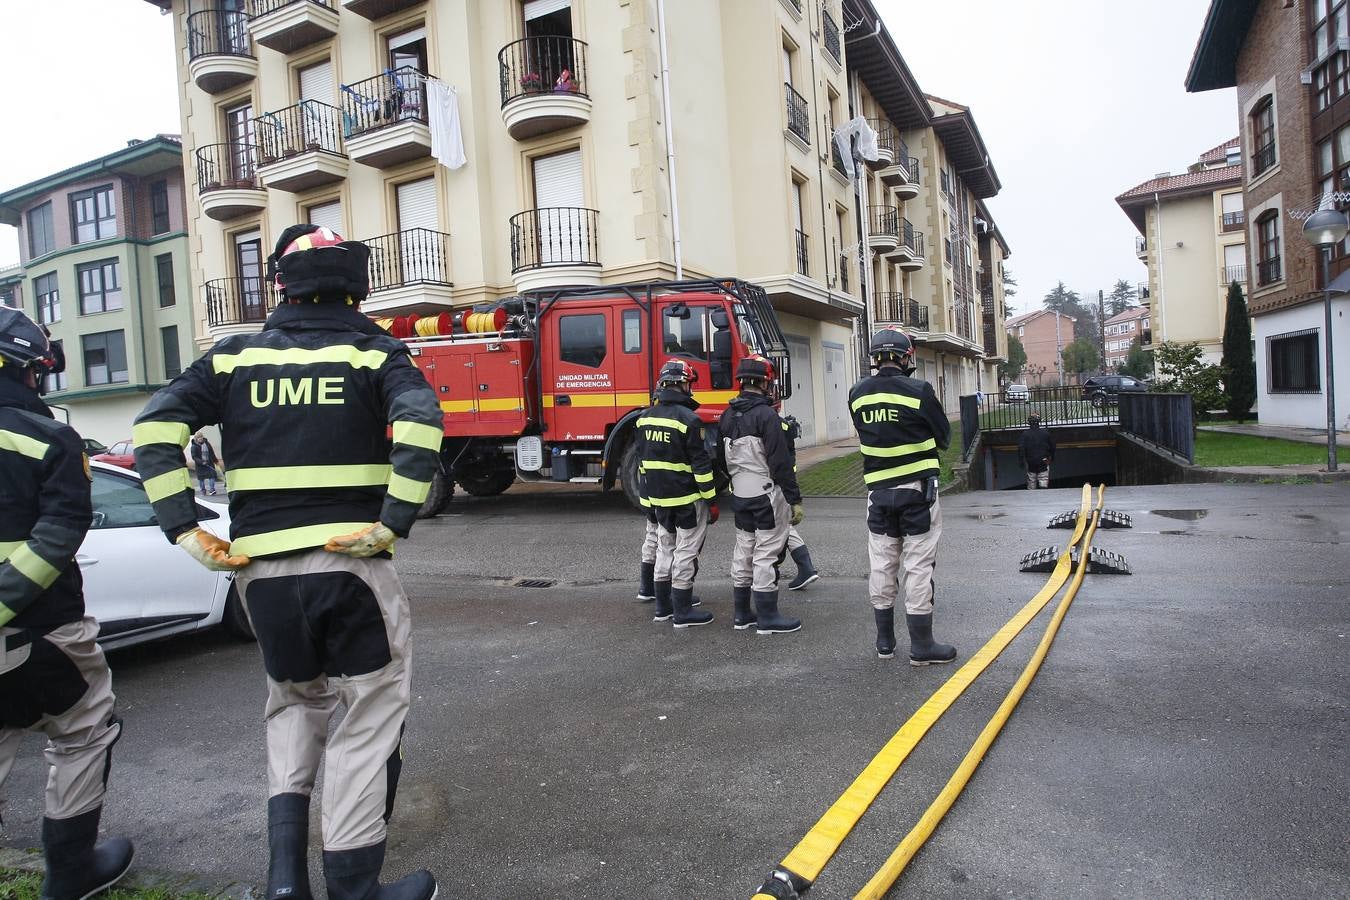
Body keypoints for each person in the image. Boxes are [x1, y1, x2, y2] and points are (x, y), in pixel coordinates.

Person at [132, 225, 443, 900]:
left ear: (281, 285)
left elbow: (154, 429)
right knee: (369, 714)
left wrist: (185, 530)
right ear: (356, 286)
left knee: (294, 706)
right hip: (350, 567)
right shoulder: (376, 350)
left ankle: (283, 884)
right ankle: (355, 887)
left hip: (260, 575)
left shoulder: (231, 356)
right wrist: (392, 521)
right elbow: (421, 423)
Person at [0, 307, 134, 899]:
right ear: (30, 369)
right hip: (40, 628)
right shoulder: (48, 437)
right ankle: (70, 874)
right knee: (84, 727)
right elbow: (59, 531)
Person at [849, 329, 956, 666]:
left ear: (875, 357)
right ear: (906, 356)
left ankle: (884, 642)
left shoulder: (857, 394)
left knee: (882, 563)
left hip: (878, 493)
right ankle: (922, 647)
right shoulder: (920, 391)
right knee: (918, 565)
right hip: (918, 493)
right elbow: (944, 437)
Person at [718, 355, 803, 634]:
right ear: (766, 383)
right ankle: (768, 617)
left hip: (739, 494)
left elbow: (719, 457)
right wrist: (794, 499)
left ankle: (742, 614)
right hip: (767, 494)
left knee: (744, 549)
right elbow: (779, 462)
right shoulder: (768, 416)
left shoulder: (727, 415)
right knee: (766, 552)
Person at [635, 359, 716, 628]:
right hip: (687, 501)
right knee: (686, 551)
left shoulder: (643, 418)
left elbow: (643, 465)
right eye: (688, 384)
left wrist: (647, 501)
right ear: (682, 384)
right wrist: (710, 498)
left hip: (658, 500)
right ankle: (682, 611)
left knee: (664, 549)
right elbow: (701, 466)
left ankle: (663, 607)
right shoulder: (689, 420)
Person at [778, 414, 819, 591]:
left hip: (768, 487)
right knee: (784, 527)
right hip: (781, 484)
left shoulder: (764, 422)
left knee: (770, 530)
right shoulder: (782, 424)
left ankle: (764, 576)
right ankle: (805, 568)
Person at [1017, 413, 1055, 489]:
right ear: (1039, 422)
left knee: (1031, 481)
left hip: (1031, 461)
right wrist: (1051, 458)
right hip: (1044, 460)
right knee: (1043, 479)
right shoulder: (1045, 433)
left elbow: (1021, 448)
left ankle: (1032, 497)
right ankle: (1043, 495)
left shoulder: (1025, 434)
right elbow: (1053, 446)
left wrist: (1021, 461)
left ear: (1029, 423)